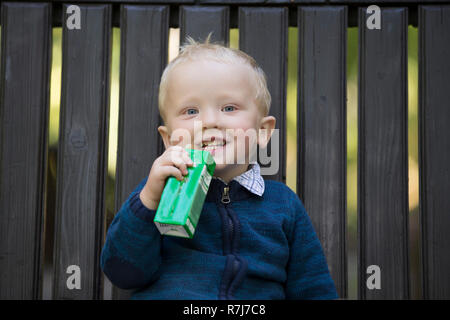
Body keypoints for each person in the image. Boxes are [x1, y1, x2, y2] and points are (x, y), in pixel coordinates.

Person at [100, 35, 338, 300]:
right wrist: (148, 200)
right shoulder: (160, 196)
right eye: (191, 111)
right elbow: (123, 273)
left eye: (228, 107)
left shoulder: (283, 206)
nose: (210, 121)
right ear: (169, 139)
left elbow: (314, 289)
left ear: (262, 131)